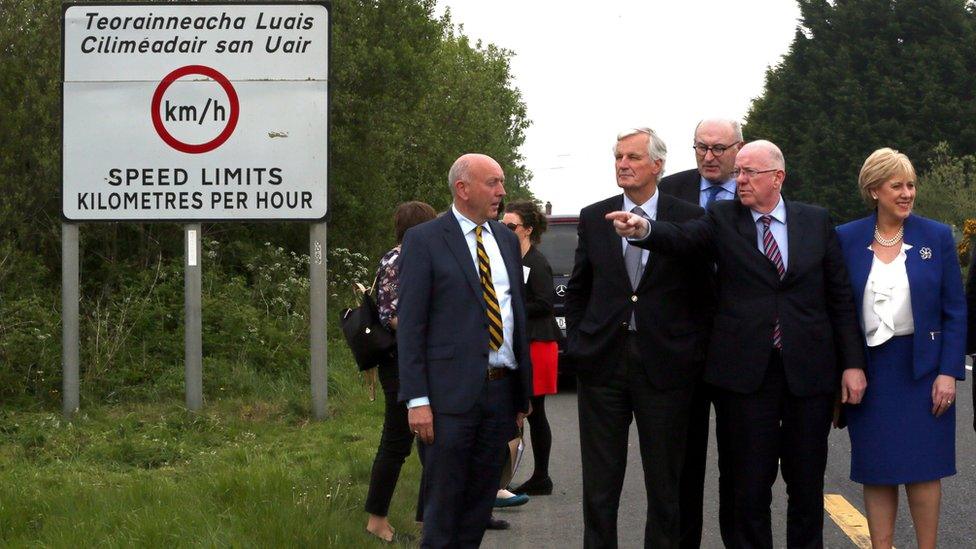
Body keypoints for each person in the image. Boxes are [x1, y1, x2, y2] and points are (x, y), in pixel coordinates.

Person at [608, 140, 866, 549]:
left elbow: (839, 296)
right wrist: (645, 230)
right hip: (746, 379)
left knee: (805, 483)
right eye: (739, 172)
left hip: (808, 374)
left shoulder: (815, 221)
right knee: (747, 488)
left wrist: (852, 364)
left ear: (777, 178)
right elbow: (684, 238)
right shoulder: (723, 218)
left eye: (749, 173)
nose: (739, 180)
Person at [565, 127, 713, 548]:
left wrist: (691, 350)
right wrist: (578, 343)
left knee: (665, 486)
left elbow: (704, 293)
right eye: (618, 157)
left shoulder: (688, 216)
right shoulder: (595, 216)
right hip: (603, 364)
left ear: (657, 165)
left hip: (665, 368)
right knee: (600, 485)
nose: (623, 165)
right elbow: (580, 288)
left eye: (632, 157)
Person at [397, 153, 533, 548]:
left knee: (478, 506)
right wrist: (417, 400)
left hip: (500, 393)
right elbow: (412, 327)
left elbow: (514, 315)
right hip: (447, 400)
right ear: (463, 188)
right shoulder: (424, 240)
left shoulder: (506, 240)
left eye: (502, 182)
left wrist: (521, 393)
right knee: (444, 506)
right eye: (493, 182)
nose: (502, 192)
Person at [835, 148, 966, 549]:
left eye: (911, 184)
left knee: (925, 469)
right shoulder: (845, 238)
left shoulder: (937, 236)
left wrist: (948, 372)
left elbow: (954, 311)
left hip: (924, 370)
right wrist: (847, 365)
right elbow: (838, 309)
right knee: (878, 469)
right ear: (874, 190)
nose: (907, 193)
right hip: (870, 372)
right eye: (897, 186)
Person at [658, 118, 742, 548]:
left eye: (719, 148)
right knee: (682, 465)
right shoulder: (669, 191)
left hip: (737, 346)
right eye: (701, 147)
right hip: (679, 346)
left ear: (738, 149)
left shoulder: (753, 193)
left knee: (739, 463)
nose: (709, 156)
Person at [364, 201, 437, 543]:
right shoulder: (402, 259)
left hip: (412, 359)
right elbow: (393, 315)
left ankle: (428, 516)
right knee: (396, 442)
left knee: (428, 441)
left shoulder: (398, 256)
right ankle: (376, 520)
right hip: (401, 360)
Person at [502, 199, 561, 496]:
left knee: (534, 411)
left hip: (539, 343)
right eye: (502, 225)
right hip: (523, 343)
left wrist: (511, 308)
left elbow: (545, 303)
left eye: (510, 226)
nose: (505, 230)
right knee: (523, 410)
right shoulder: (512, 260)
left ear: (526, 230)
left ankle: (542, 476)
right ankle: (520, 475)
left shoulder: (536, 263)